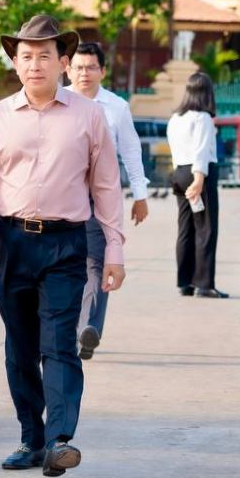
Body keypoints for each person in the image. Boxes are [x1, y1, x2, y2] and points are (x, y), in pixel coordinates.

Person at [0, 15, 125, 478]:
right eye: (26, 57)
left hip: (66, 244)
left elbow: (106, 185)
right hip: (11, 242)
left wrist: (114, 250)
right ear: (15, 63)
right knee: (20, 346)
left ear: (63, 62)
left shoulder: (89, 115)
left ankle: (59, 440)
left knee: (59, 343)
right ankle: (31, 438)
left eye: (44, 56)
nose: (35, 65)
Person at [64, 41, 150, 361]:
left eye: (91, 67)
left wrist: (140, 195)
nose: (84, 73)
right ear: (68, 70)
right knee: (64, 264)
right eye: (78, 67)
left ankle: (89, 328)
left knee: (96, 264)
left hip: (99, 197)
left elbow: (131, 152)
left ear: (102, 71)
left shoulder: (116, 107)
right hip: (62, 196)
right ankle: (69, 325)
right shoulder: (58, 101)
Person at [166, 72, 224, 298]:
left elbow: (174, 150)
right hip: (199, 173)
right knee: (205, 228)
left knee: (185, 229)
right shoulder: (203, 118)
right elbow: (200, 150)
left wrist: (183, 176)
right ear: (207, 93)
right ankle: (204, 285)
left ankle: (185, 282)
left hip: (180, 172)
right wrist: (199, 179)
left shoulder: (175, 118)